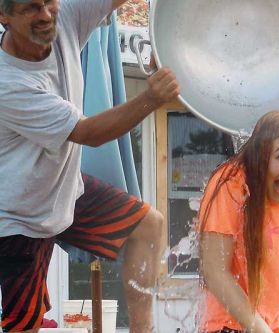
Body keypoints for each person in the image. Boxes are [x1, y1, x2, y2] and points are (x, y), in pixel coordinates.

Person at [0, 0, 180, 332]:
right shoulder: (7, 82)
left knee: (147, 226)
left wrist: (168, 45)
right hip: (17, 217)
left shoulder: (64, 16)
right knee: (23, 326)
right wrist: (152, 97)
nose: (45, 14)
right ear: (4, 17)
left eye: (48, 2)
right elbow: (88, 133)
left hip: (65, 191)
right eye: (31, 8)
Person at [198, 110, 279, 333]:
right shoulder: (232, 182)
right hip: (233, 326)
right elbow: (215, 271)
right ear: (260, 154)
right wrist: (260, 329)